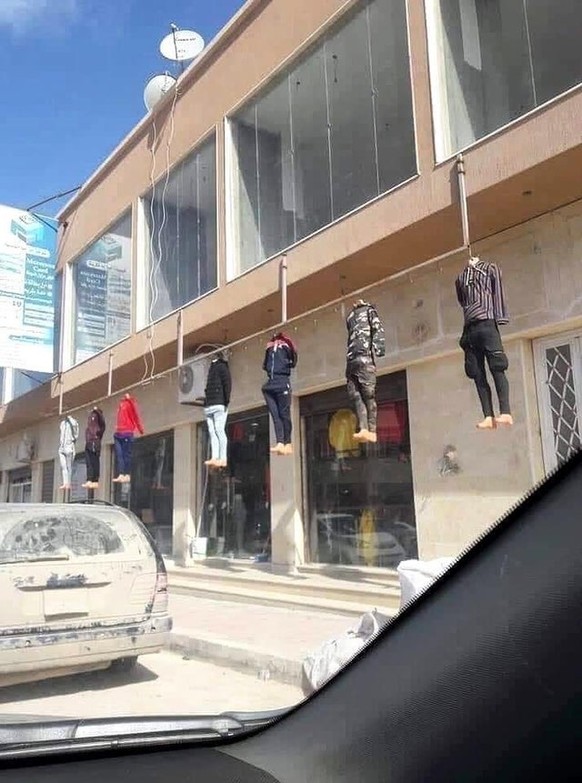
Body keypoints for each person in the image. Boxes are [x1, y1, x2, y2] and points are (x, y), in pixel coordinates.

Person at [262, 332, 297, 455]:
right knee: (275, 415)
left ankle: (288, 443)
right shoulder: (269, 346)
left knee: (284, 414)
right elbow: (265, 364)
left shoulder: (287, 344)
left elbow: (293, 361)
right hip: (271, 383)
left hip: (282, 381)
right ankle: (280, 442)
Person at [203, 352, 232, 469]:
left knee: (218, 430)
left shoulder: (219, 367)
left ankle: (222, 458)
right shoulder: (215, 367)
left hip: (216, 403)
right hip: (212, 404)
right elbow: (227, 384)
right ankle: (215, 457)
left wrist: (226, 401)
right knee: (214, 431)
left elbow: (227, 384)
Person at [113, 393, 144, 483]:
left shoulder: (131, 403)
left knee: (126, 454)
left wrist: (140, 429)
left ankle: (127, 474)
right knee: (119, 454)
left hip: (127, 432)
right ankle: (121, 474)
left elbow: (136, 416)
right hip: (118, 433)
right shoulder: (121, 404)